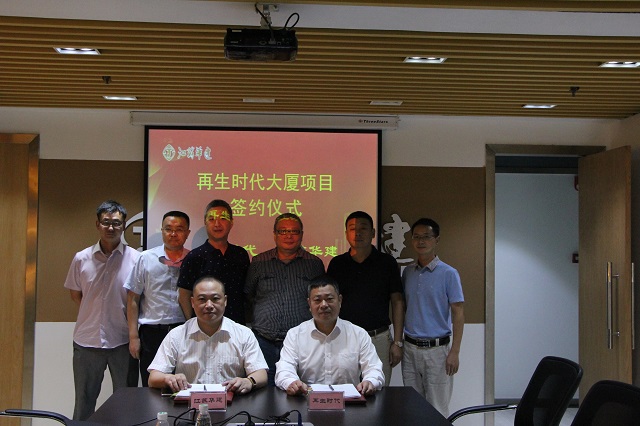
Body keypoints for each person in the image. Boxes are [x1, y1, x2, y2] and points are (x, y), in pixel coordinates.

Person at [64, 200, 141, 420]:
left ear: (123, 226)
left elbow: (138, 299)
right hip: (86, 341)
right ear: (97, 224)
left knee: (126, 403)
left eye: (116, 223)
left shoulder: (136, 259)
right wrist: (96, 313)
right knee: (84, 403)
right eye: (106, 222)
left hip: (123, 342)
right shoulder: (81, 258)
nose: (111, 227)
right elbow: (76, 294)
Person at [148, 276, 268, 394]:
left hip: (233, 402)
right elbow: (153, 378)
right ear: (192, 302)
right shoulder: (177, 335)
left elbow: (261, 373)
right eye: (202, 299)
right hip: (188, 403)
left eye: (215, 299)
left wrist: (249, 381)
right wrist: (168, 378)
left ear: (225, 301)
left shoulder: (243, 334)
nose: (209, 305)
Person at [245, 213, 325, 385]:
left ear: (301, 235)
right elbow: (249, 295)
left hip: (301, 343)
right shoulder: (259, 262)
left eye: (294, 231)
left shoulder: (314, 264)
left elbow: (320, 300)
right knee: (263, 391)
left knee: (298, 389)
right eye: (283, 231)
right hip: (263, 341)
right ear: (274, 234)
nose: (289, 236)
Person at [327, 211, 404, 385]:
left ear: (373, 233)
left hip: (378, 338)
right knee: (345, 390)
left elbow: (397, 301)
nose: (357, 233)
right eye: (352, 229)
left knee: (379, 390)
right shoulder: (337, 264)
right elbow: (330, 303)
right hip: (344, 338)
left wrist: (397, 342)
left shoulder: (387, 263)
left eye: (363, 228)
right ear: (346, 233)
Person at [274, 275, 384, 396]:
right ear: (309, 303)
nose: (324, 305)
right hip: (308, 401)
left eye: (329, 299)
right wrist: (292, 382)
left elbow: (374, 369)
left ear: (340, 300)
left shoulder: (358, 334)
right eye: (317, 300)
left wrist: (370, 381)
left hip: (349, 403)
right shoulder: (295, 335)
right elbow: (284, 369)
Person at [401, 218, 464, 417]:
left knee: (437, 409)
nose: (421, 241)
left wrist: (455, 352)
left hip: (437, 352)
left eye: (426, 237)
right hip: (410, 349)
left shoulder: (449, 273)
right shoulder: (408, 272)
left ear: (436, 240)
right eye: (416, 237)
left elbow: (458, 313)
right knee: (412, 407)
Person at [124, 211, 191, 387]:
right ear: (162, 231)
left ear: (187, 233)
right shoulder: (145, 258)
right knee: (151, 387)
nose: (173, 234)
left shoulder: (193, 259)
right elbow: (132, 299)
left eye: (179, 229)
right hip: (151, 334)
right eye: (168, 229)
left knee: (184, 385)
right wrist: (133, 337)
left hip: (184, 332)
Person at [177, 199, 249, 325]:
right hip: (204, 327)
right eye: (211, 219)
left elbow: (247, 294)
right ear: (205, 222)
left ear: (231, 223)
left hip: (237, 326)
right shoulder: (194, 257)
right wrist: (193, 323)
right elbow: (184, 295)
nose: (217, 224)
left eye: (223, 218)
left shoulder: (240, 254)